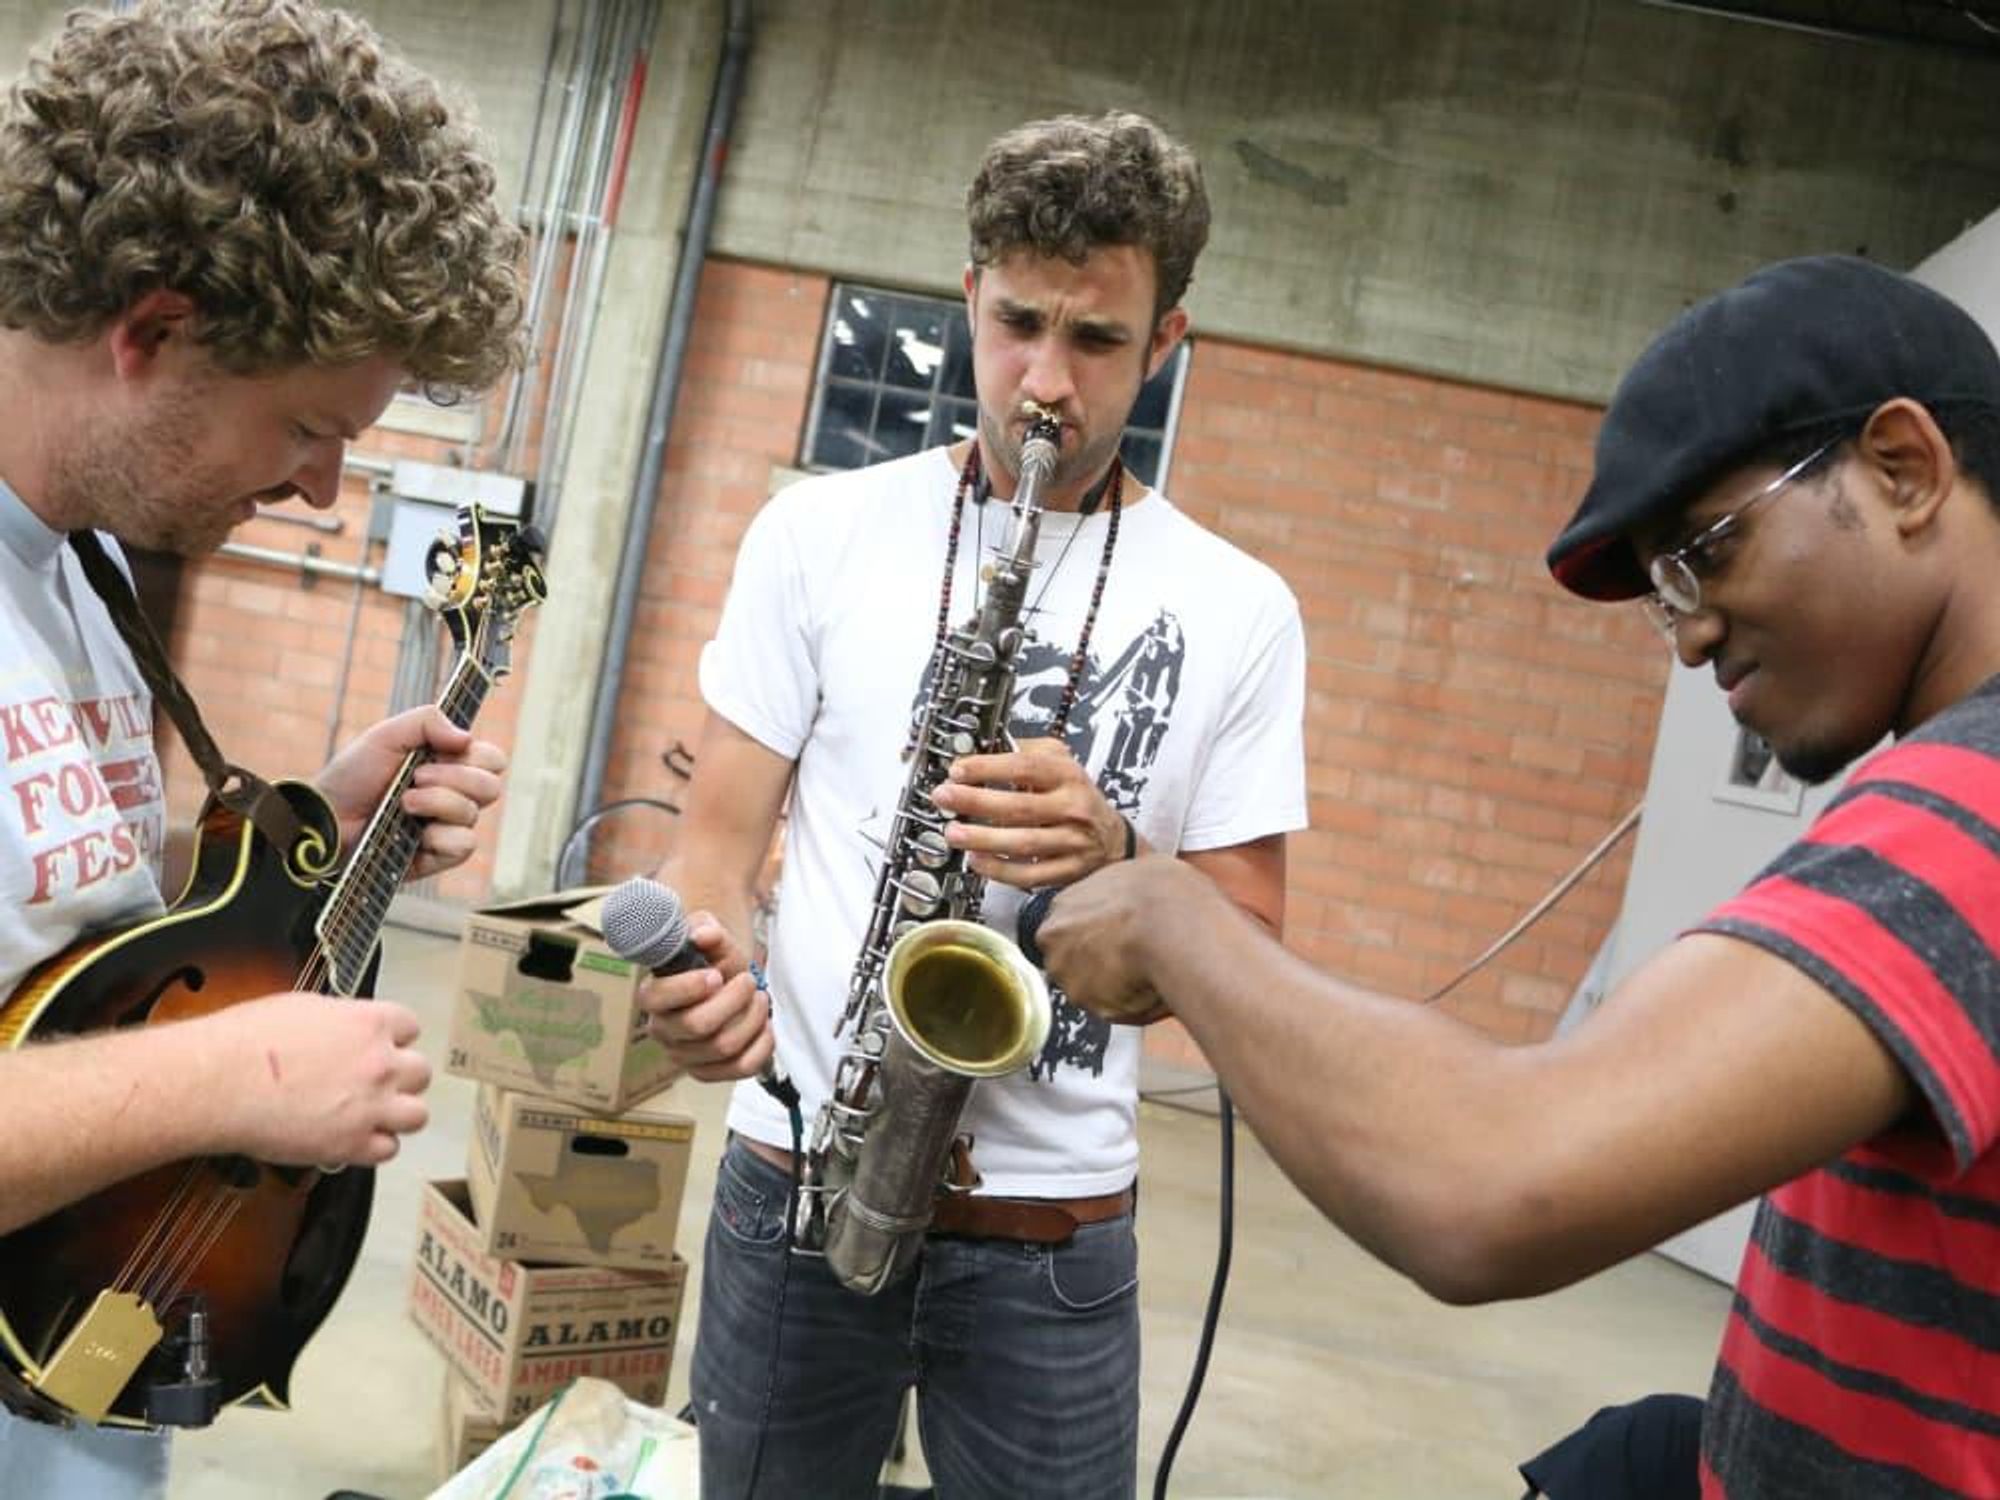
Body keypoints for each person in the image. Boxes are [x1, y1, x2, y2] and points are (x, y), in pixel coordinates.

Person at [1036, 254, 2000, 1499]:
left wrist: (1177, 919)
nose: (1692, 633)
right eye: (1666, 593)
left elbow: (1490, 1182)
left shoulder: (1968, 806)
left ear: (1904, 469)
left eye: (1705, 550)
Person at [641, 112, 1306, 1499]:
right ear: (968, 298)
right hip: (799, 1181)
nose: (1043, 385)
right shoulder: (817, 534)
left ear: (1167, 341)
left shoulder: (1244, 611)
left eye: (1098, 341)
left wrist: (1120, 858)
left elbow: (1248, 950)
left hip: (1050, 1238)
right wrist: (709, 975)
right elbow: (715, 842)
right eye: (1017, 325)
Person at [0, 0, 523, 1491]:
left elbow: (47, 903)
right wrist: (236, 1074)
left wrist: (292, 842)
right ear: (152, 331)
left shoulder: (78, 566)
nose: (320, 490)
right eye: (307, 427)